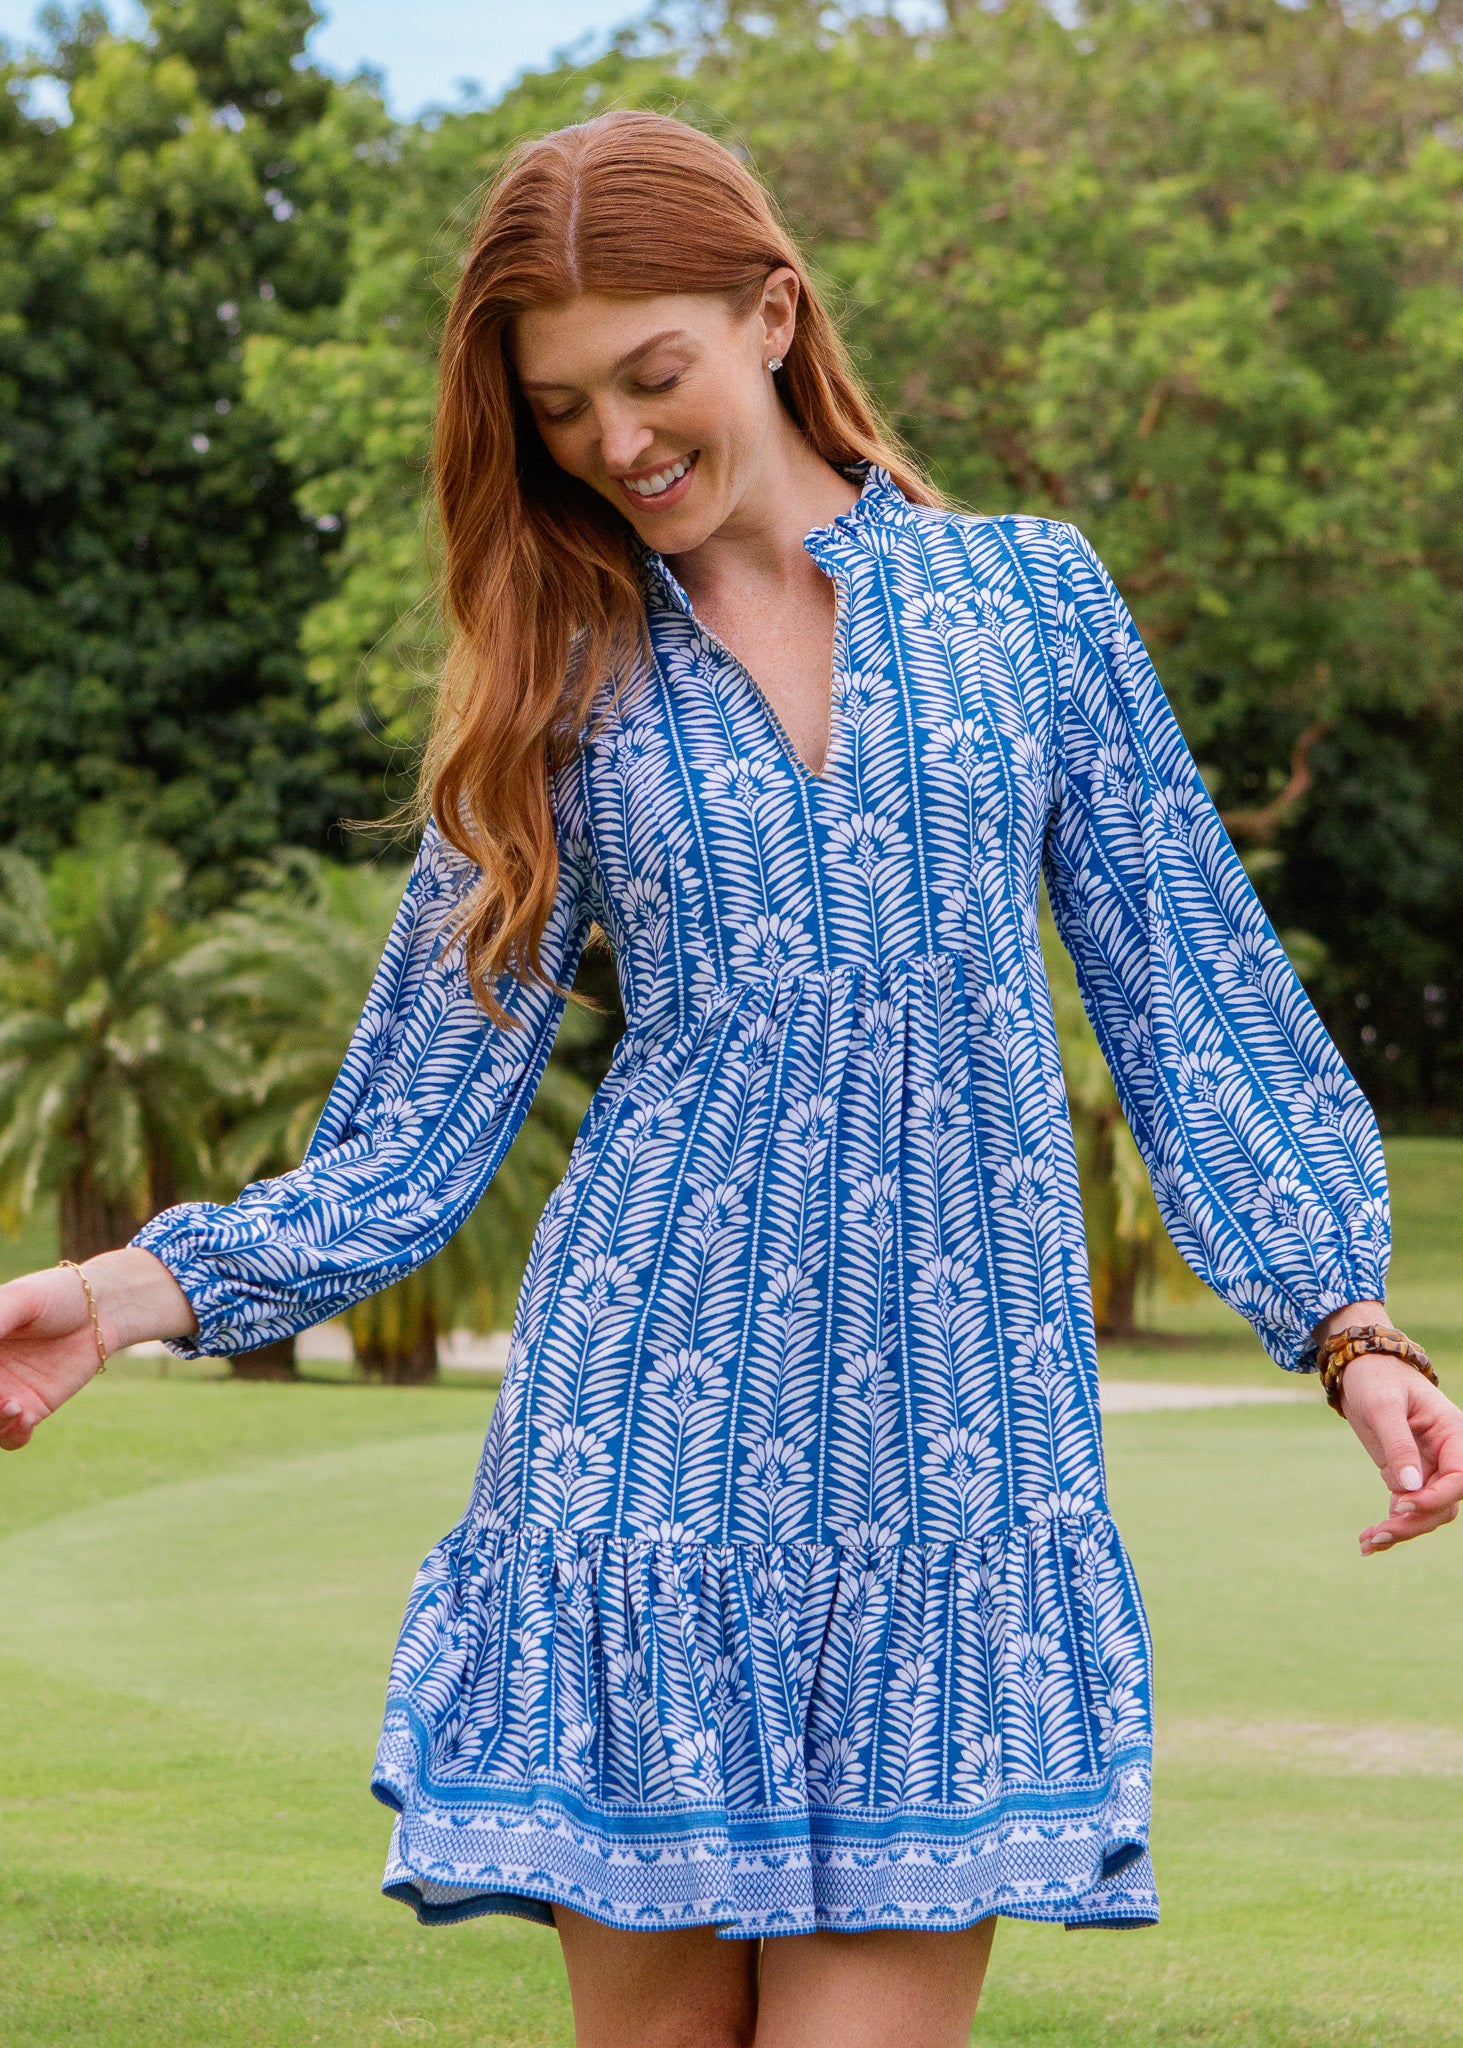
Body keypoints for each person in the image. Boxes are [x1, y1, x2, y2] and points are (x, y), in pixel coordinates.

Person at [1, 109, 1459, 2048]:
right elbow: (421, 1122)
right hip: (650, 1470)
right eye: (563, 406)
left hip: (963, 1464)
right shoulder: (560, 671)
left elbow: (1192, 988)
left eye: (650, 372)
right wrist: (111, 1295)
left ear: (771, 314)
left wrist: (1353, 1325)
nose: (615, 437)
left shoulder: (1031, 600)